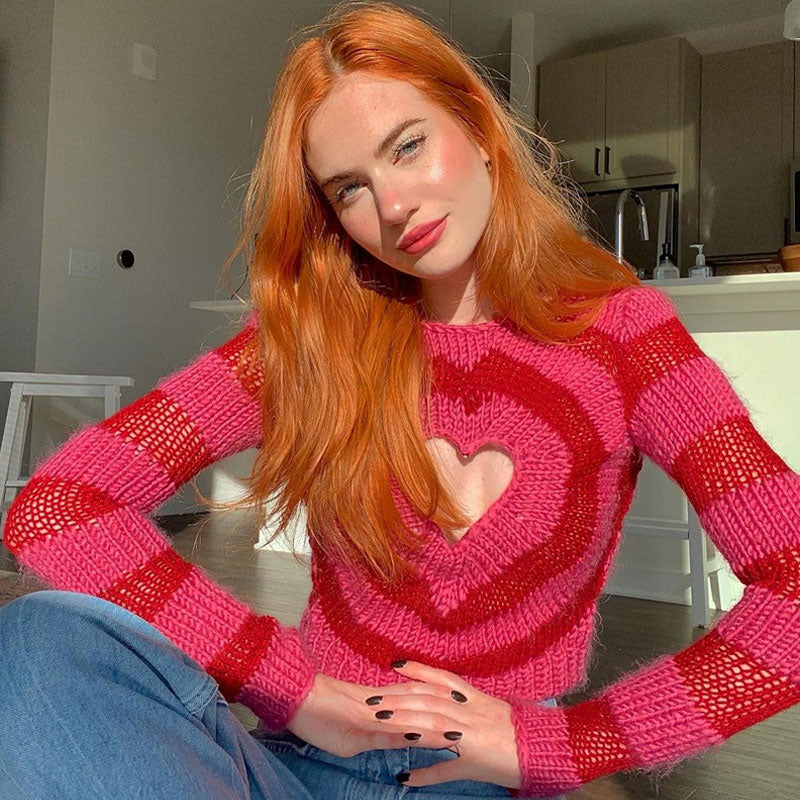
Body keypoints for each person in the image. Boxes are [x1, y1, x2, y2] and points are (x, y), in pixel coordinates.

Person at [2, 1, 799, 798]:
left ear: (478, 126)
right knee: (38, 642)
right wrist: (291, 688)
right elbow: (62, 506)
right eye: (350, 188)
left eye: (408, 146)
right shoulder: (312, 342)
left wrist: (565, 742)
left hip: (475, 776)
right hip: (293, 762)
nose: (391, 206)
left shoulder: (627, 337)